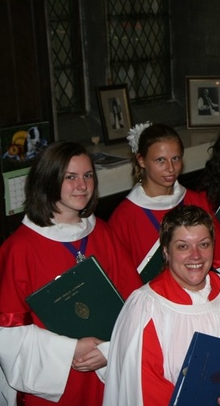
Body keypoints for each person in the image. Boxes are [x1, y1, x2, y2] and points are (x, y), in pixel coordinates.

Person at [0, 141, 142, 406]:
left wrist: (109, 350)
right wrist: (70, 351)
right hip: (56, 381)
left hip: (107, 373)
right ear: (48, 180)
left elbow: (135, 304)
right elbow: (9, 336)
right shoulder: (19, 249)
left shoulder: (102, 232)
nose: (82, 186)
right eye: (71, 177)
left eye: (88, 176)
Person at [103, 205, 220, 406]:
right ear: (166, 251)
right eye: (183, 246)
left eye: (203, 244)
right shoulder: (145, 309)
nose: (195, 256)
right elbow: (144, 389)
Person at [109, 122, 220, 272]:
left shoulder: (196, 201)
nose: (171, 168)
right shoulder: (124, 217)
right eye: (160, 160)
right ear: (141, 160)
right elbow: (121, 275)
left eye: (175, 158)